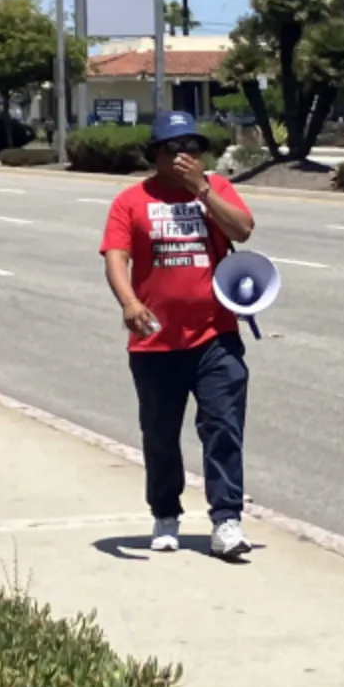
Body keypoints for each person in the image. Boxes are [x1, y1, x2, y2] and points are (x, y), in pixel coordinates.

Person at [100, 111, 256, 559]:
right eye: (174, 148)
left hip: (216, 335)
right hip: (155, 341)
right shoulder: (130, 201)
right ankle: (165, 514)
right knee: (160, 433)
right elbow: (115, 257)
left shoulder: (216, 189)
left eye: (193, 147)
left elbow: (243, 229)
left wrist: (202, 190)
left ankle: (226, 520)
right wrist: (129, 303)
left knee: (223, 427)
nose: (185, 156)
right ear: (155, 155)